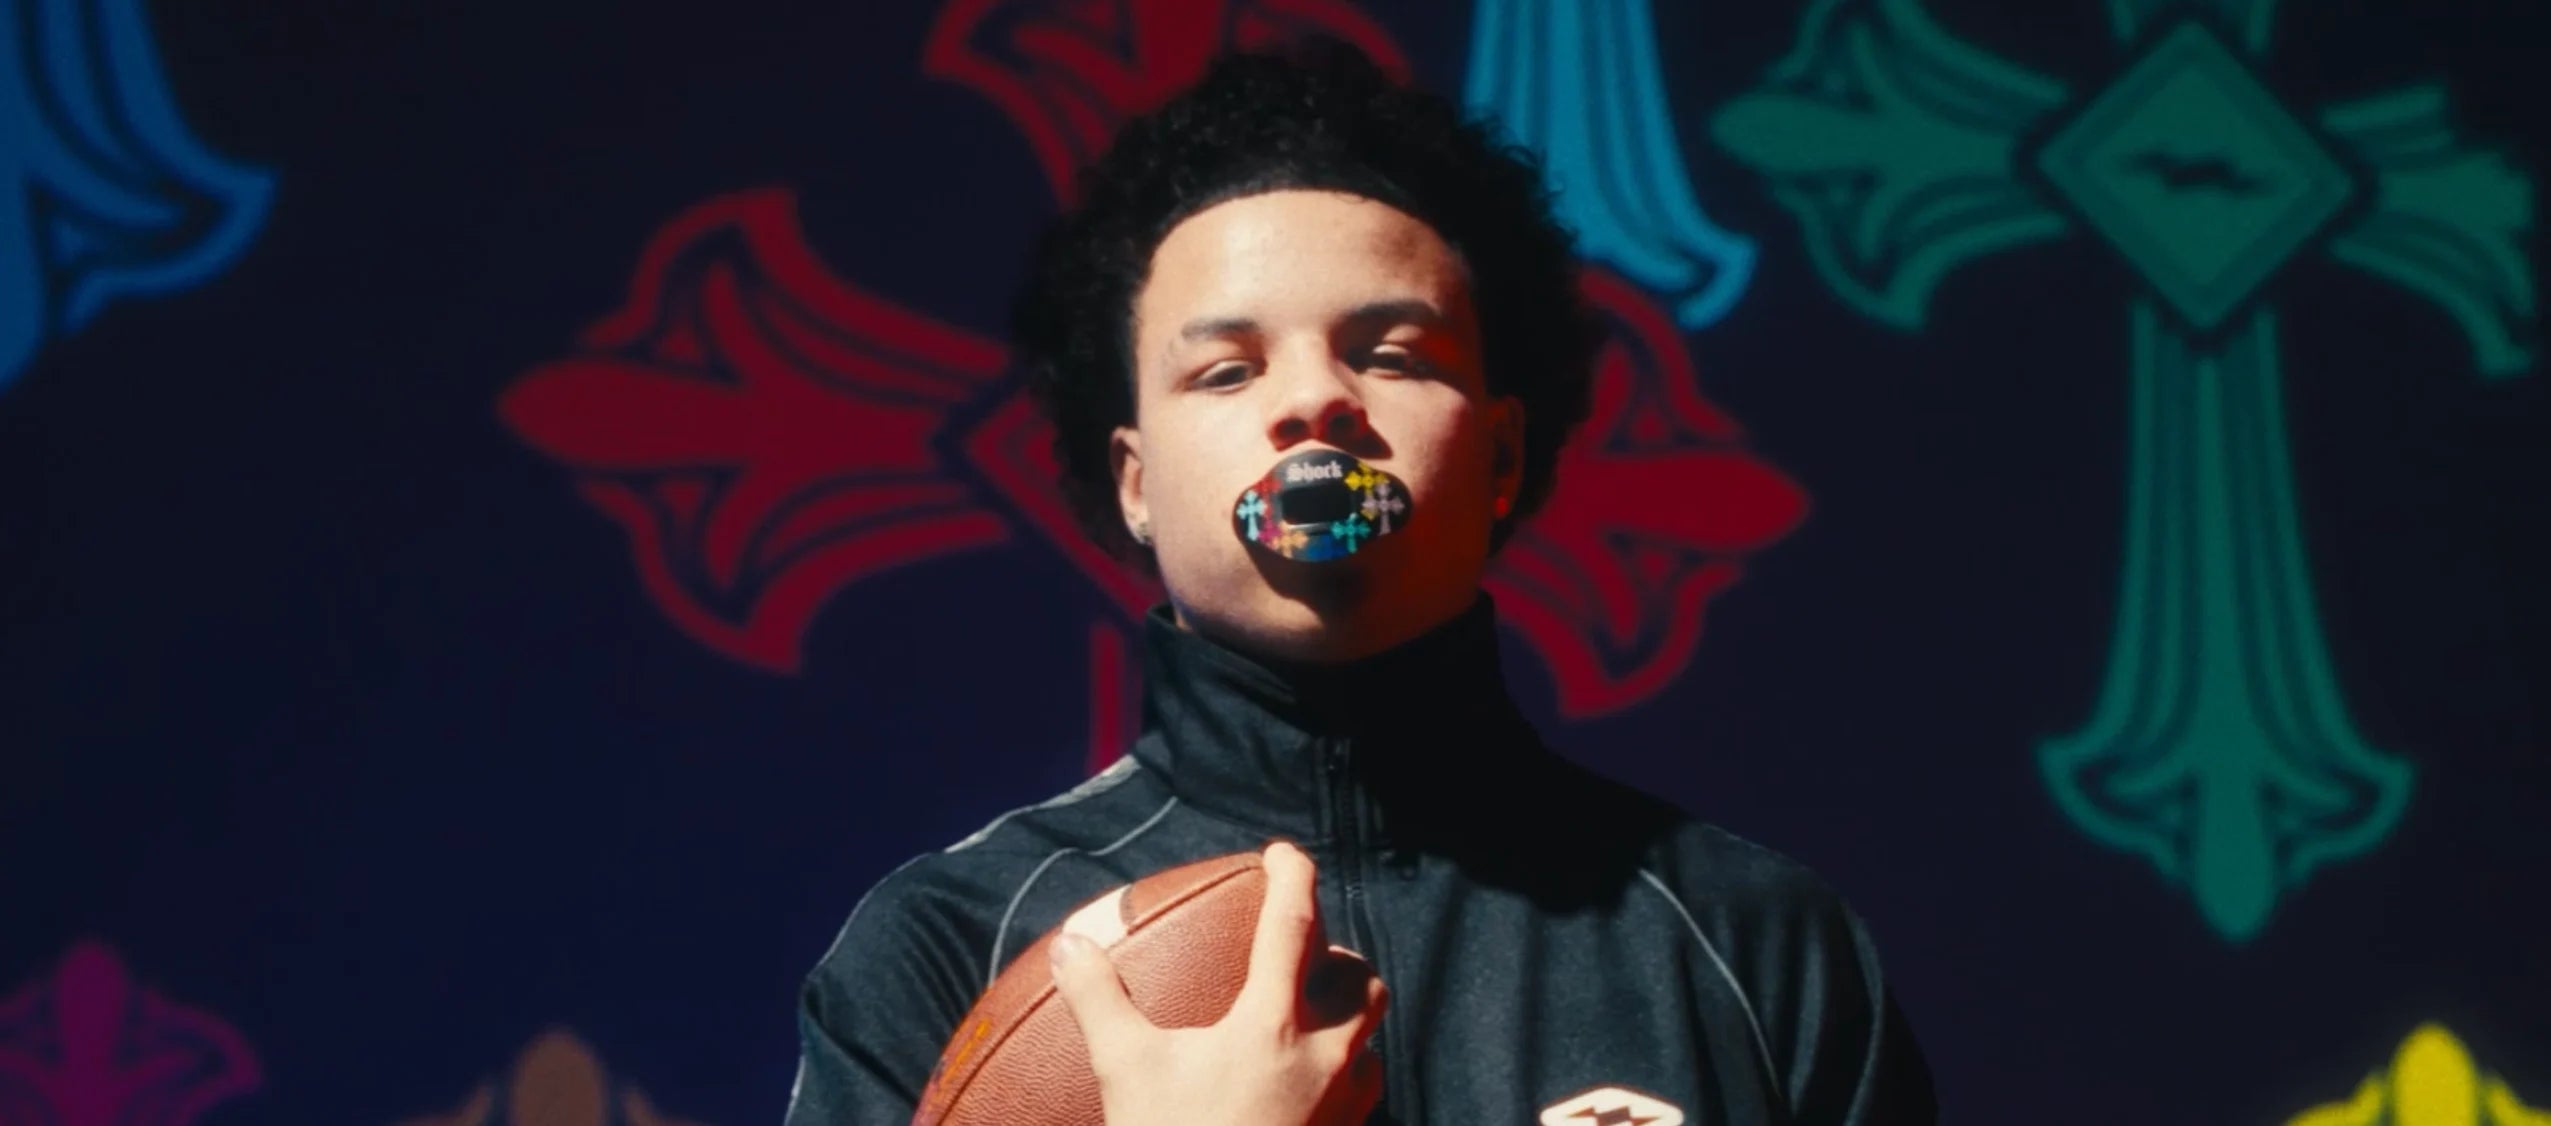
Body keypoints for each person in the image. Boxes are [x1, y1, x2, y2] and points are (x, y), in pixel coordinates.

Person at [784, 39, 1936, 1126]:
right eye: (1227, 369)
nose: (1313, 403)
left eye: (1389, 353)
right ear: (1132, 481)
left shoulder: (1756, 940)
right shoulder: (944, 946)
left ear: (1498, 455)